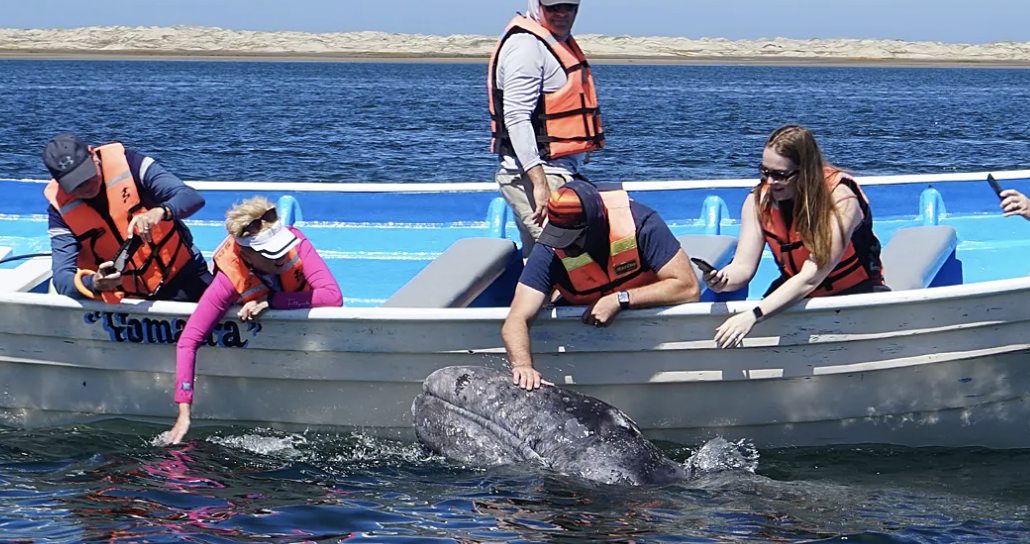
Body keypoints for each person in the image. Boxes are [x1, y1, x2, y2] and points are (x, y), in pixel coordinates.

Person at [165, 196, 343, 444]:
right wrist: (184, 413)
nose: (281, 257)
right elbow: (188, 341)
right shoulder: (229, 280)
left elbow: (333, 296)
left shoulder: (297, 242)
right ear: (247, 256)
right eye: (270, 254)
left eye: (281, 247)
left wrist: (273, 301)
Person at [502, 180, 701, 390]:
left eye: (572, 238)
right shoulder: (549, 249)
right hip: (587, 333)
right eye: (560, 237)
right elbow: (516, 318)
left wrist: (620, 300)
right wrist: (523, 367)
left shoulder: (641, 224)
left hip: (655, 324)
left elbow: (688, 288)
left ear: (594, 224)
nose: (565, 247)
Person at [705, 125, 888, 349]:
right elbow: (742, 267)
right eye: (765, 171)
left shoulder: (842, 201)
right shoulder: (757, 201)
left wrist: (753, 314)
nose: (770, 182)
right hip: (795, 291)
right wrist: (722, 280)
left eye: (780, 175)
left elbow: (811, 276)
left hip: (855, 293)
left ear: (806, 172)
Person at [488, 0, 605, 258]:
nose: (562, 13)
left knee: (542, 260)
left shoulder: (555, 43)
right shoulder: (526, 48)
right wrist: (538, 181)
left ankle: (539, 297)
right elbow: (516, 116)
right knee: (568, 258)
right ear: (536, 5)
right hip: (535, 177)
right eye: (553, 7)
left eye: (569, 6)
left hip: (558, 172)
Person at [43, 133, 212, 303]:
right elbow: (62, 279)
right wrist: (94, 283)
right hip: (125, 301)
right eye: (75, 184)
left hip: (184, 276)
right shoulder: (60, 213)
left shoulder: (133, 166)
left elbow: (191, 197)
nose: (85, 186)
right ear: (57, 181)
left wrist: (159, 211)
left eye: (87, 176)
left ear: (92, 153)